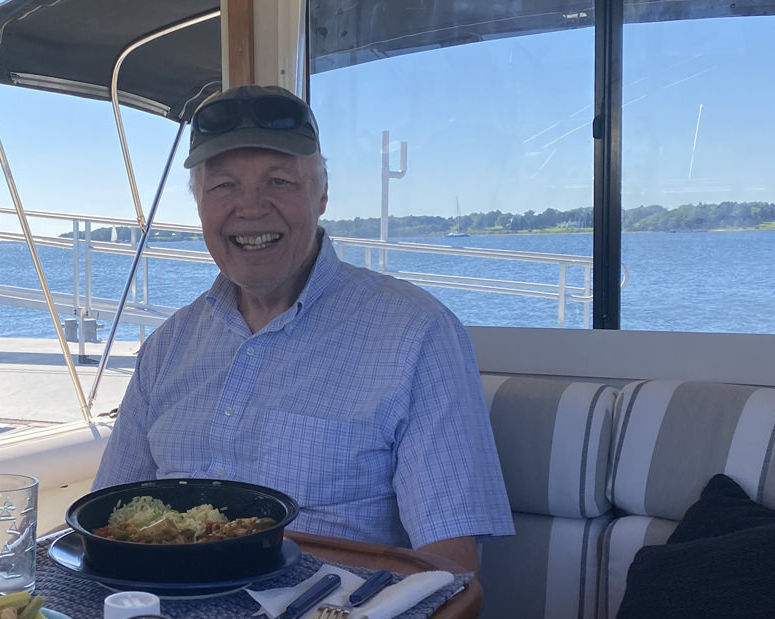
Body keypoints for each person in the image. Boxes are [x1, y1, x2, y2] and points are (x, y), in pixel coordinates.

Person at [93, 84, 513, 571]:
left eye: (280, 182)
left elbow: (449, 567)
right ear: (201, 205)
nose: (251, 209)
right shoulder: (167, 347)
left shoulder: (417, 335)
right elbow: (106, 524)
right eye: (224, 186)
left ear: (322, 195)